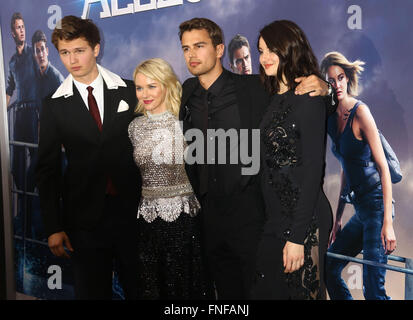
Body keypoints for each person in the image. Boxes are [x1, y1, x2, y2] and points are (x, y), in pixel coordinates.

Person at [178, 17, 335, 299]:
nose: (191, 54)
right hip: (212, 219)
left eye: (199, 46)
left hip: (254, 217)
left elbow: (312, 157)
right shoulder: (185, 93)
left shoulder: (256, 88)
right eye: (186, 48)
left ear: (218, 49)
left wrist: (327, 89)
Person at [35, 15, 141, 300]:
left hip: (134, 214)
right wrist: (53, 227)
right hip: (84, 222)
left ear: (95, 48)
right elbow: (47, 170)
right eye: (65, 53)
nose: (72, 60)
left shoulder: (130, 91)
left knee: (143, 290)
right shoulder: (54, 104)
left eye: (79, 50)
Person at [249, 20, 333, 300]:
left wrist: (297, 237)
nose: (264, 58)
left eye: (272, 50)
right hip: (275, 218)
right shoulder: (271, 95)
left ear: (291, 48)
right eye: (260, 51)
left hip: (305, 221)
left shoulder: (309, 95)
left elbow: (313, 172)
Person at [128, 58, 211, 299]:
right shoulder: (134, 127)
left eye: (151, 86)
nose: (145, 94)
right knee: (154, 287)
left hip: (184, 222)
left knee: (186, 288)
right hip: (148, 222)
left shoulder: (184, 122)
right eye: (139, 87)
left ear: (166, 85)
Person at [320, 51, 397, 300]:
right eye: (330, 80)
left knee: (373, 290)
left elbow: (384, 168)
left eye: (340, 78)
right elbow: (345, 166)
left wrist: (388, 223)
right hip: (360, 211)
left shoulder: (361, 112)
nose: (337, 84)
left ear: (346, 77)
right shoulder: (331, 119)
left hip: (377, 207)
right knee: (330, 267)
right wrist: (338, 217)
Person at [6, 12, 38, 199]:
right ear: (12, 33)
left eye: (23, 27)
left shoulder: (33, 55)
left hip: (34, 112)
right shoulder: (11, 62)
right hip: (19, 115)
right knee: (15, 167)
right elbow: (9, 89)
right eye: (18, 28)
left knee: (36, 159)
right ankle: (25, 200)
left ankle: (31, 203)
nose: (22, 31)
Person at [32, 30, 65, 107]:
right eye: (37, 51)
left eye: (42, 49)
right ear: (34, 55)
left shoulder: (57, 78)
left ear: (47, 51)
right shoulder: (36, 77)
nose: (40, 54)